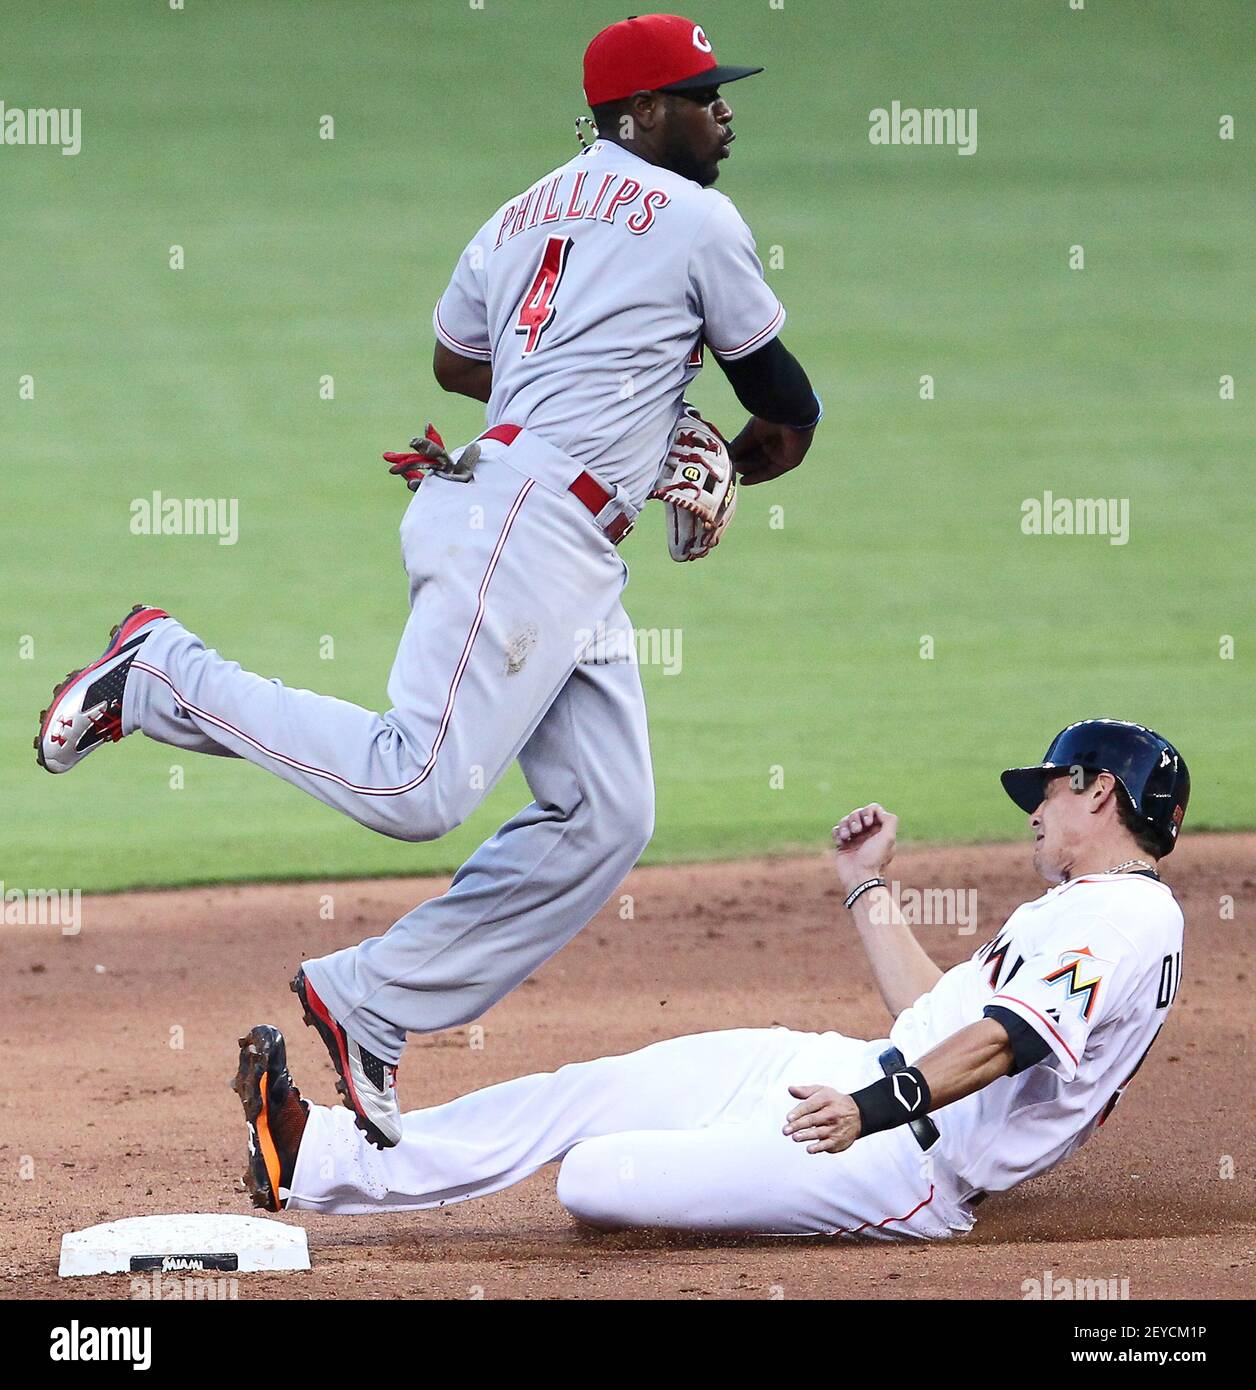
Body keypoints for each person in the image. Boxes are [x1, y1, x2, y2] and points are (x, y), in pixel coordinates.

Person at [35, 14, 820, 1149]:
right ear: (636, 115)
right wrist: (725, 460)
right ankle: (160, 672)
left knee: (606, 812)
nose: (725, 109)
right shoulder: (700, 219)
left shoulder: (518, 211)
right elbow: (787, 407)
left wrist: (598, 387)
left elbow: (455, 360)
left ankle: (370, 1003)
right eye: (702, 94)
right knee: (416, 788)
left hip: (544, 529)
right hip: (525, 530)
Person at [231, 719, 1189, 1238]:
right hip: (848, 1072)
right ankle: (311, 1156)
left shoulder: (1131, 916)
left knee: (596, 1179)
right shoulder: (1081, 910)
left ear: (1100, 793)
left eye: (1049, 789)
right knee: (587, 1093)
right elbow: (940, 1017)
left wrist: (873, 1108)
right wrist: (867, 889)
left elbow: (1003, 1043)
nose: (1035, 810)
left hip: (899, 1158)